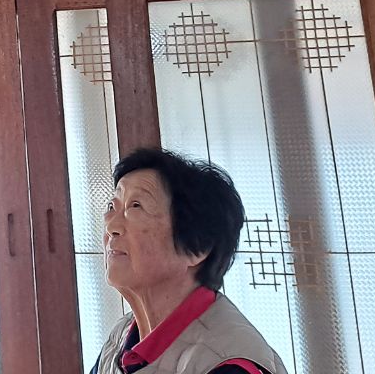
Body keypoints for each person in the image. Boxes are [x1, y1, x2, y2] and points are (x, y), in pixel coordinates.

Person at [93, 148, 289, 374]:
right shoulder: (122, 336)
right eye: (112, 207)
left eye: (136, 206)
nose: (111, 226)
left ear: (198, 248)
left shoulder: (228, 364)